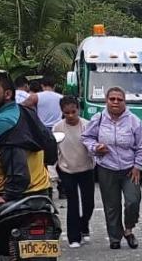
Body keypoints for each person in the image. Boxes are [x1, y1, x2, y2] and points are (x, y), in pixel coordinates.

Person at [82, 87, 142, 250]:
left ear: (125, 101)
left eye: (119, 99)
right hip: (107, 168)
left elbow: (141, 146)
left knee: (133, 201)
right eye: (112, 99)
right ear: (106, 101)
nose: (116, 102)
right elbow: (86, 138)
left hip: (129, 169)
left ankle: (128, 230)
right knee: (112, 205)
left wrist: (137, 166)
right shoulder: (98, 119)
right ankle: (114, 237)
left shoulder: (133, 121)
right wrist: (95, 147)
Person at [0, 72, 53, 205]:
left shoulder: (4, 122)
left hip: (14, 198)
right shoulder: (26, 111)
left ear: (7, 94)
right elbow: (50, 143)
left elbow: (17, 168)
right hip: (41, 191)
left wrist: (7, 196)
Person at [53, 96, 94, 249]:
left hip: (86, 169)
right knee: (73, 203)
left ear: (78, 109)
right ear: (62, 112)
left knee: (89, 203)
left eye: (73, 112)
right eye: (66, 113)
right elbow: (54, 151)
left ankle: (84, 226)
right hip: (66, 169)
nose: (70, 115)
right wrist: (54, 173)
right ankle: (73, 237)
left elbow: (93, 145)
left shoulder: (87, 125)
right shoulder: (57, 128)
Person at [21, 76, 64, 198]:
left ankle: (47, 187)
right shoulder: (61, 98)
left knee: (43, 160)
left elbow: (23, 107)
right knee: (60, 159)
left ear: (42, 86)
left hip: (42, 131)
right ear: (54, 86)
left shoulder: (36, 97)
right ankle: (63, 190)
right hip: (59, 129)